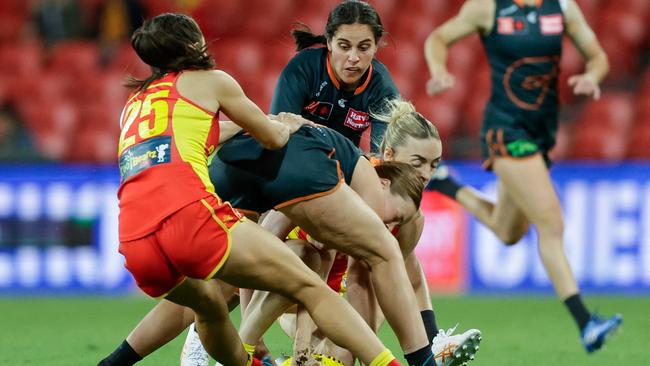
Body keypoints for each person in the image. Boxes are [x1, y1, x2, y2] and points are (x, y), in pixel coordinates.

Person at [101, 12, 405, 366]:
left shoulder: (135, 103)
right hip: (189, 215)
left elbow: (200, 136)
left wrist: (239, 127)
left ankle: (114, 363)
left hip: (135, 239)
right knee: (308, 286)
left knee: (210, 304)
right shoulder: (210, 80)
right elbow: (273, 138)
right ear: (193, 44)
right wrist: (285, 124)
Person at [262, 0, 476, 358]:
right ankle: (214, 337)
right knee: (257, 245)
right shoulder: (303, 70)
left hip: (341, 184)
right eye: (344, 46)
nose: (354, 58)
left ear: (376, 48)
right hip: (292, 179)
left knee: (392, 247)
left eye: (364, 48)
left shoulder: (380, 85)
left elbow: (382, 164)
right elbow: (276, 132)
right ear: (328, 42)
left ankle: (412, 343)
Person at [423, 0, 622, 353]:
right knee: (552, 223)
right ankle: (585, 322)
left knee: (509, 231)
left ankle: (445, 184)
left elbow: (599, 56)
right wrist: (439, 71)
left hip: (540, 133)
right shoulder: (488, 8)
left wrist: (593, 76)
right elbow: (438, 37)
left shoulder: (562, 8)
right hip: (506, 130)